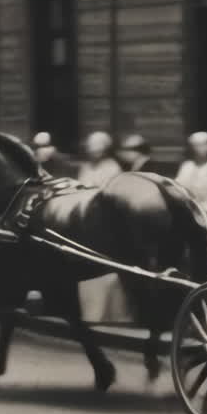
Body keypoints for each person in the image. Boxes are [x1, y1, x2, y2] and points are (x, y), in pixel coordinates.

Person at [76, 131, 133, 324]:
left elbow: (112, 195)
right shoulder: (85, 167)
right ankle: (91, 313)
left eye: (97, 148)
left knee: (105, 266)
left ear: (104, 150)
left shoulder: (112, 168)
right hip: (85, 219)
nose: (93, 152)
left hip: (105, 221)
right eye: (91, 148)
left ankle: (110, 314)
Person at [175, 131, 207, 218]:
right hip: (190, 213)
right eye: (195, 146)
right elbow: (178, 188)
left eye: (201, 145)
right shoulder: (187, 166)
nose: (198, 149)